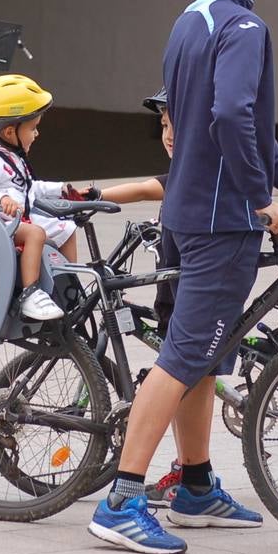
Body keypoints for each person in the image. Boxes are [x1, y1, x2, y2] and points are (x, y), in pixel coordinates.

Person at [88, 0, 278, 554]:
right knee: (181, 358)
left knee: (199, 355)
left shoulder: (187, 21)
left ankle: (195, 485)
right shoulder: (245, 25)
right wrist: (263, 199)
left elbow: (235, 125)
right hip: (220, 221)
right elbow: (232, 115)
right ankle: (121, 499)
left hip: (183, 209)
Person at [97, 88, 185, 506]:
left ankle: (181, 473)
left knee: (179, 376)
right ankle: (190, 473)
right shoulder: (187, 172)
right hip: (177, 295)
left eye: (176, 124)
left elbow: (145, 190)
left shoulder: (190, 173)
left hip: (184, 298)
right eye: (164, 126)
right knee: (190, 379)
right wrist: (89, 197)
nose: (168, 134)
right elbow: (143, 189)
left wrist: (89, 197)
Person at [0, 74, 79, 322]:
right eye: (33, 128)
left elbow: (30, 189)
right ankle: (30, 293)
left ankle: (70, 289)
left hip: (17, 219)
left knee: (67, 229)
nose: (36, 134)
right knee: (36, 233)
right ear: (9, 131)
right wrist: (2, 198)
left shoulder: (12, 156)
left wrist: (61, 189)